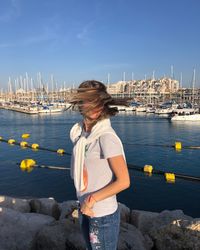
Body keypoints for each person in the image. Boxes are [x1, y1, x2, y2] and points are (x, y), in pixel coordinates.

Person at [70, 80, 130, 250]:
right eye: (89, 100)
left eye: (98, 101)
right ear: (80, 103)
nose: (95, 106)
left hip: (102, 215)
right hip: (85, 208)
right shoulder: (81, 134)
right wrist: (85, 203)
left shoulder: (106, 137)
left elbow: (124, 181)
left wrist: (91, 200)